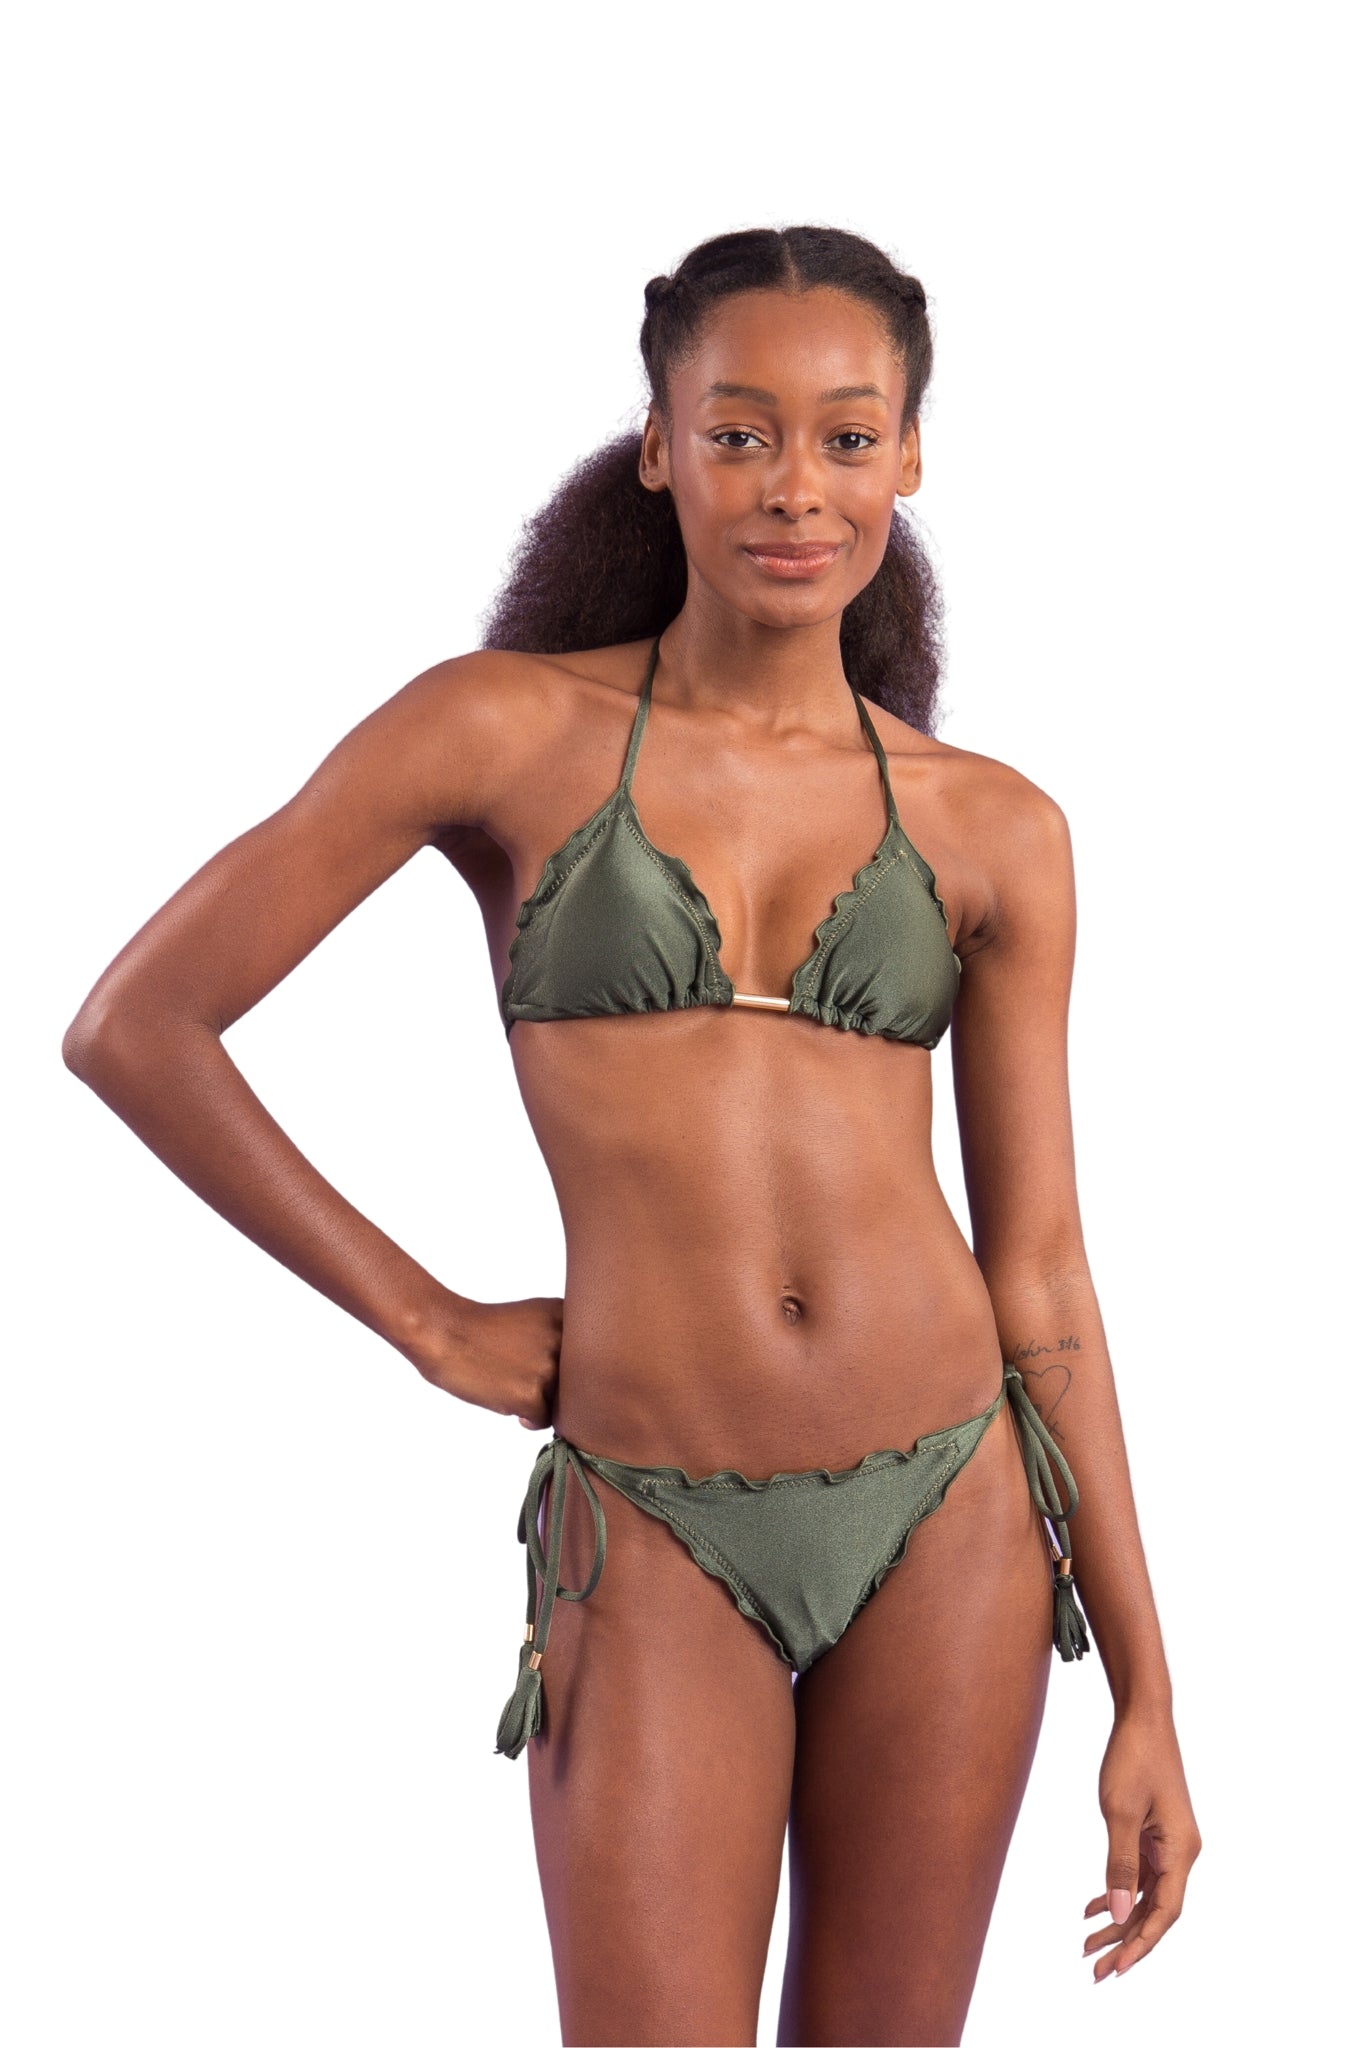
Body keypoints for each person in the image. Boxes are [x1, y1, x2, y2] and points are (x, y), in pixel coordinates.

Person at [62, 224, 1200, 2047]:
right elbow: (138, 1027)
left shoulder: (995, 826)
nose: (795, 486)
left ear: (908, 456)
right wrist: (426, 1321)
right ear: (660, 443)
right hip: (652, 1513)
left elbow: (1043, 1273)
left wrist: (1148, 1688)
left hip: (953, 1509)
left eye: (846, 437)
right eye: (739, 432)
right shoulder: (500, 729)